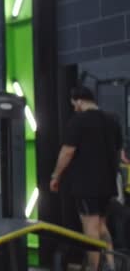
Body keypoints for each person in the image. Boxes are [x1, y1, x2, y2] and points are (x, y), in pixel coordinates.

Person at [50, 86, 123, 271]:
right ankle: (112, 264)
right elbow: (121, 154)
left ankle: (94, 267)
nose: (74, 108)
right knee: (101, 226)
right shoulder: (112, 121)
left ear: (79, 101)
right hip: (108, 185)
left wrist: (56, 175)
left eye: (74, 104)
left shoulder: (79, 121)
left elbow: (67, 151)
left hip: (87, 185)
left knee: (90, 228)